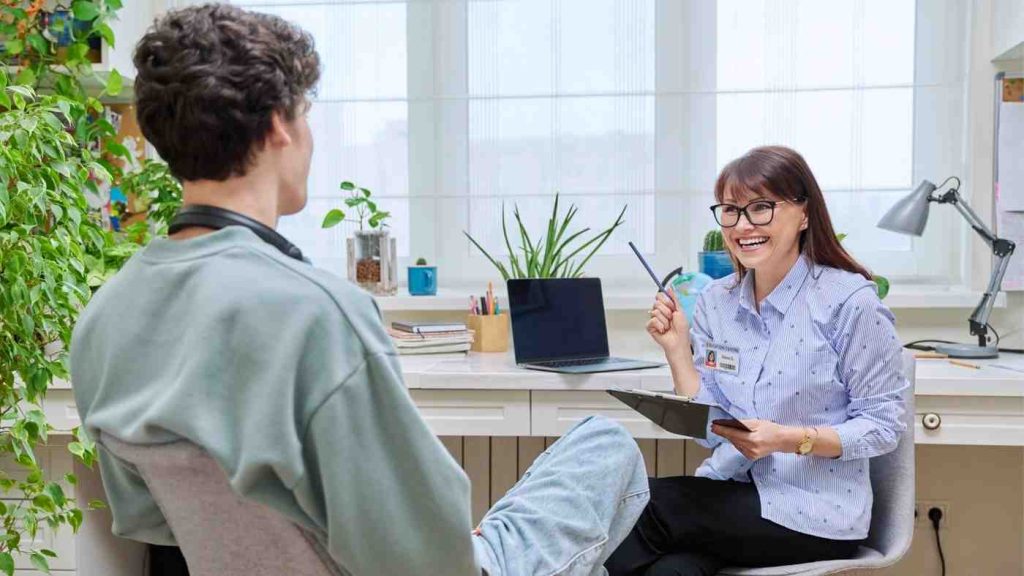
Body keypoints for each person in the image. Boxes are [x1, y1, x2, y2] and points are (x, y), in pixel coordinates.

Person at [70, 5, 648, 576]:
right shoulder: (315, 313)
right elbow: (428, 552)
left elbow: (150, 520)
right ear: (278, 124)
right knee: (607, 444)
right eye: (306, 115)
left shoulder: (104, 318)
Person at [604, 146, 908, 576]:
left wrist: (787, 439)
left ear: (804, 214)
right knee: (672, 571)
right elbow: (715, 433)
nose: (743, 225)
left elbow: (883, 425)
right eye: (730, 210)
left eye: (761, 208)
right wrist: (677, 349)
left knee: (642, 507)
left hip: (814, 511)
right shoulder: (716, 302)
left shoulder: (849, 302)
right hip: (731, 493)